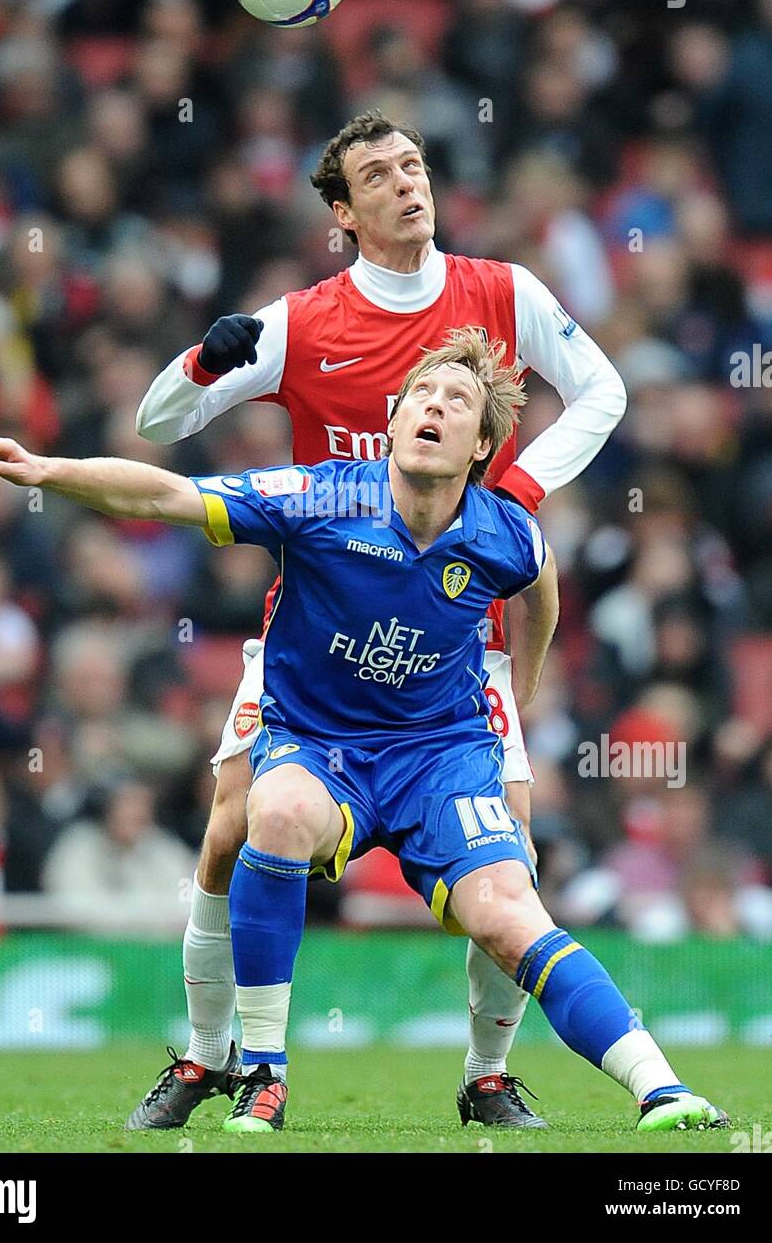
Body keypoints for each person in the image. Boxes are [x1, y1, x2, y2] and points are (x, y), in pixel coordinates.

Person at [0, 331, 727, 1138]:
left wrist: (517, 692)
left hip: (440, 761)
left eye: (457, 402)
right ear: (391, 421)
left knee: (510, 908)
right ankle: (262, 1073)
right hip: (321, 749)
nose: (434, 406)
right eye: (422, 395)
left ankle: (659, 1089)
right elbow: (165, 495)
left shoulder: (507, 534)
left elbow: (543, 591)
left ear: (483, 444)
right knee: (268, 813)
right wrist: (47, 471)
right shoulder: (319, 497)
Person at [131, 109, 628, 1129]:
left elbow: (602, 391)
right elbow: (156, 427)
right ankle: (206, 1056)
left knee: (512, 853)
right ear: (340, 211)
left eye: (413, 163)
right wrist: (198, 363)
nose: (408, 182)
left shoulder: (502, 292)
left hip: (454, 633)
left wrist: (517, 495)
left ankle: (485, 1075)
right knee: (230, 827)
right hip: (313, 638)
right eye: (379, 173)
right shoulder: (303, 321)